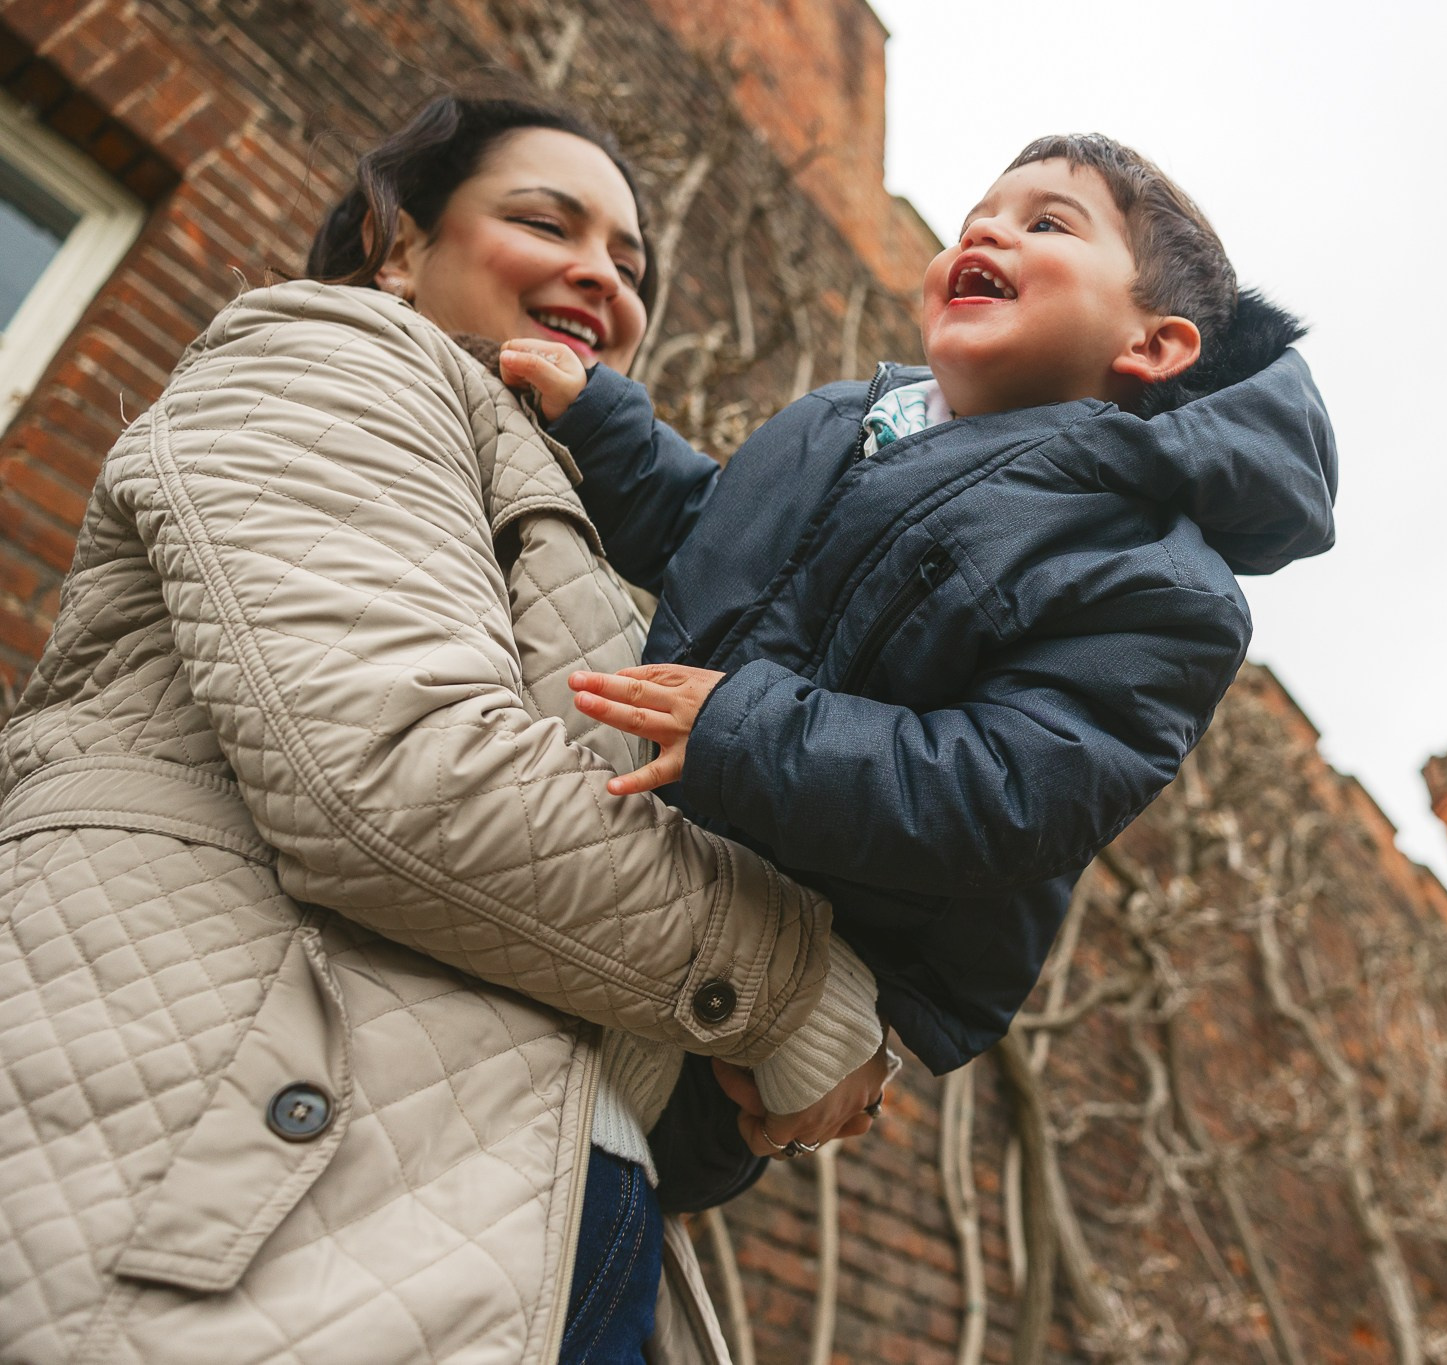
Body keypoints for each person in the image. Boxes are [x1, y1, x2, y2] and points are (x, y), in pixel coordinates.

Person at [0, 93, 886, 1365]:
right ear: (396, 245)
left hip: (521, 1235)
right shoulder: (331, 352)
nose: (601, 274)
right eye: (545, 220)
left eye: (630, 266)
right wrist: (795, 991)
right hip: (252, 1210)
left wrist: (727, 1107)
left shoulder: (588, 550)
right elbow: (397, 772)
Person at [502, 135, 1338, 1114]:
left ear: (1149, 346)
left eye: (1046, 222)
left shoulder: (1155, 577)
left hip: (794, 971)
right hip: (639, 848)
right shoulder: (839, 422)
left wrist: (746, 731)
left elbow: (1009, 792)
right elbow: (711, 534)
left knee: (610, 1172)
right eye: (979, 213)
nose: (987, 227)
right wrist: (608, 432)